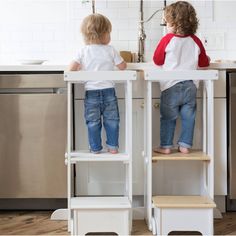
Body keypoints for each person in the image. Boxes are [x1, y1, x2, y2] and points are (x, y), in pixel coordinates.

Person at [152, 1, 210, 154]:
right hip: (190, 86)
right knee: (189, 117)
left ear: (174, 23)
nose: (166, 25)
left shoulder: (167, 39)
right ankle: (185, 145)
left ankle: (166, 146)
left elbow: (157, 60)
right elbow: (204, 64)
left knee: (168, 118)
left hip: (171, 86)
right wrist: (207, 58)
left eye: (167, 22)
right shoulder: (196, 40)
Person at [69, 13, 126, 154]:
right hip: (109, 93)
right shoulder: (110, 50)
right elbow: (123, 66)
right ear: (103, 34)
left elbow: (70, 69)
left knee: (93, 123)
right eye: (109, 33)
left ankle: (95, 148)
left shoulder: (83, 51)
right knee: (112, 121)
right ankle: (113, 147)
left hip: (91, 94)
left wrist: (82, 70)